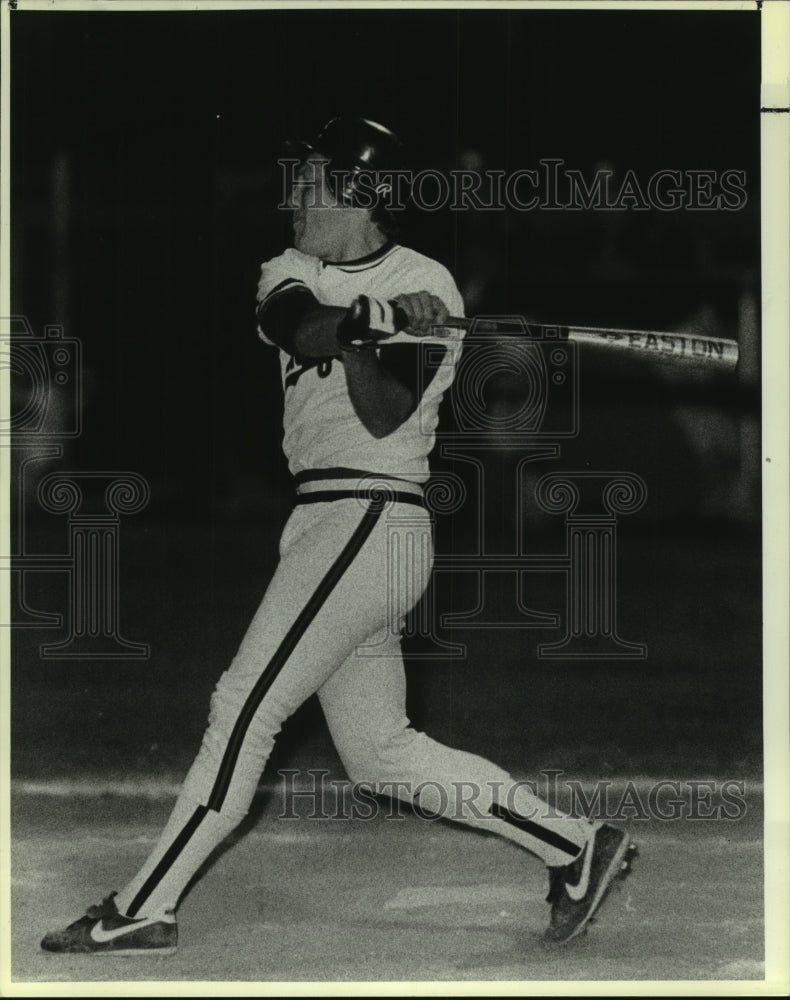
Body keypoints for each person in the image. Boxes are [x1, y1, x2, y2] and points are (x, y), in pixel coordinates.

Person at [41, 117, 635, 956]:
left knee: (242, 707)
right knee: (382, 753)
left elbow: (387, 415)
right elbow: (298, 325)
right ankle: (576, 848)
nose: (293, 197)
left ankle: (145, 903)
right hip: (326, 525)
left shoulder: (432, 284)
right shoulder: (289, 269)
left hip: (370, 516)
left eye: (312, 182)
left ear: (363, 194)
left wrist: (394, 325)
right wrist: (372, 317)